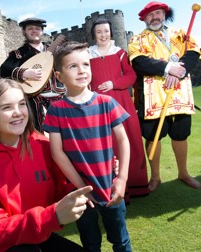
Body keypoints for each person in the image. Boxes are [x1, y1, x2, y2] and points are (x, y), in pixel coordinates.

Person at [0, 78, 93, 252]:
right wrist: (52, 217)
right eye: (7, 107)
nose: (18, 112)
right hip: (3, 247)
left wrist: (100, 173)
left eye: (22, 104)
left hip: (38, 235)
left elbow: (64, 188)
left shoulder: (44, 146)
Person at [44, 41, 132, 251]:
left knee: (120, 240)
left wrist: (122, 179)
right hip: (78, 193)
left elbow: (123, 140)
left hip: (110, 186)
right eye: (73, 66)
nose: (81, 70)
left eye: (85, 64)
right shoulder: (56, 110)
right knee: (91, 243)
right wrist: (81, 189)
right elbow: (57, 152)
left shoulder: (106, 103)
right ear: (59, 76)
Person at [128, 1, 201, 191]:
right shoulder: (137, 40)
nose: (154, 17)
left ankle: (183, 173)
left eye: (158, 13)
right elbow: (139, 62)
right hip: (152, 97)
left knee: (180, 135)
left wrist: (179, 71)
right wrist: (168, 68)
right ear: (144, 19)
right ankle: (155, 177)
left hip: (179, 95)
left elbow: (194, 53)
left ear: (164, 15)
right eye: (150, 15)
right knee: (153, 137)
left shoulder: (180, 34)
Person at [88, 18, 149, 199]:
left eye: (106, 31)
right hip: (98, 105)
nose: (103, 35)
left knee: (130, 141)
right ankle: (112, 187)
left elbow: (131, 76)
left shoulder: (120, 53)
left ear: (111, 33)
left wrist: (114, 83)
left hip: (122, 102)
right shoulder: (87, 54)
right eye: (99, 32)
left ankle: (136, 184)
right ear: (94, 35)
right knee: (107, 145)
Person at [0, 18, 66, 132]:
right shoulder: (19, 53)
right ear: (24, 32)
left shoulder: (56, 50)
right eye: (30, 28)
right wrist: (24, 73)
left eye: (37, 28)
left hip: (59, 97)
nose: (34, 31)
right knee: (39, 135)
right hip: (35, 102)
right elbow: (4, 69)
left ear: (42, 31)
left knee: (64, 132)